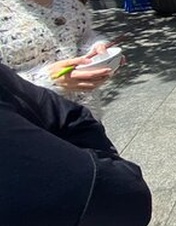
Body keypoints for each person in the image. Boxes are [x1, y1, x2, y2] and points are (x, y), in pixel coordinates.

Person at [0, 62, 152, 225]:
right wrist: (50, 79)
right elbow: (121, 197)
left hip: (77, 118)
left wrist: (97, 51)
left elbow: (83, 37)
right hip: (45, 137)